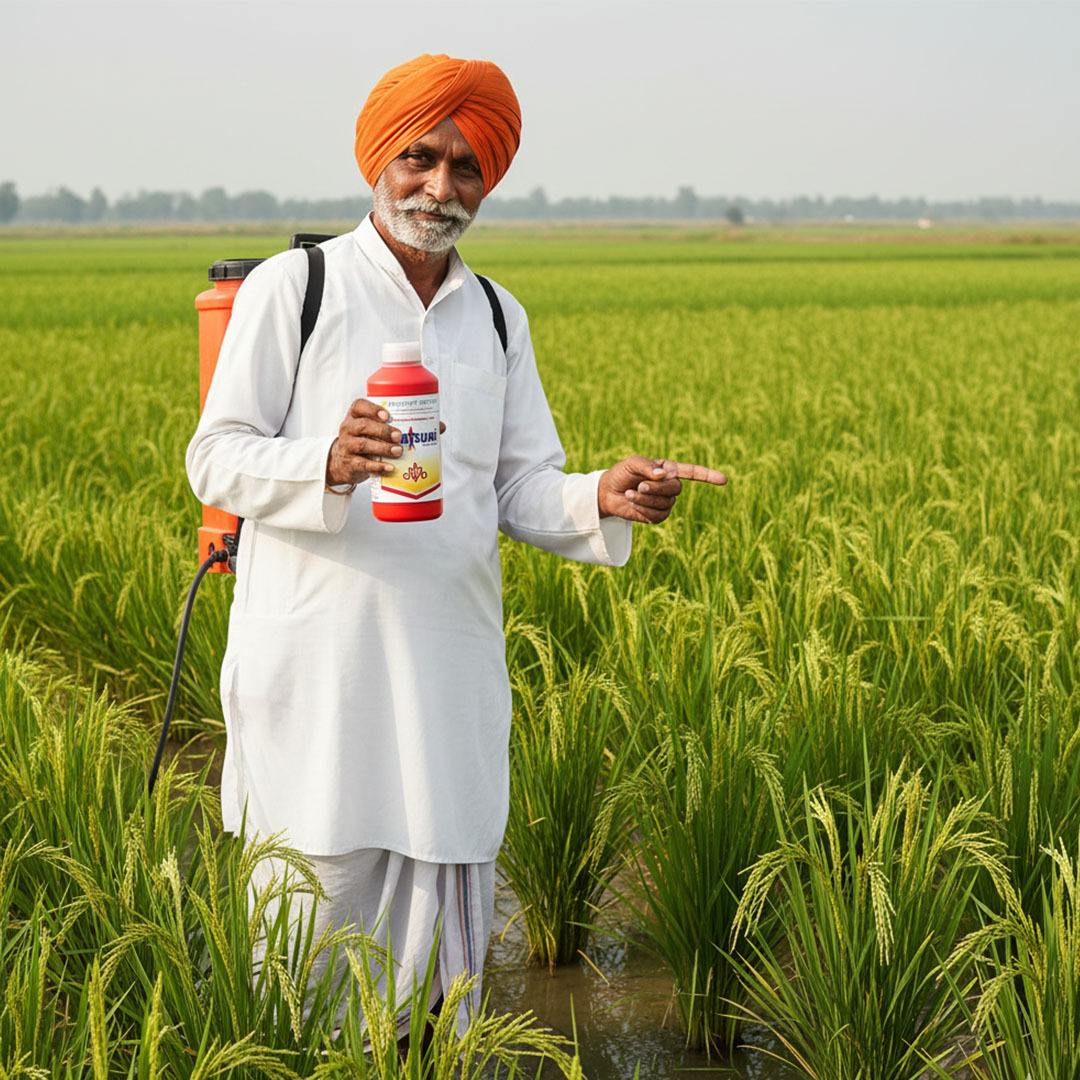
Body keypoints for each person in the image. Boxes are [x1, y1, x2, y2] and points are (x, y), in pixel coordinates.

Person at [185, 52, 727, 1040]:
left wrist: (603, 494)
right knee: (306, 961)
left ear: (490, 181)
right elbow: (215, 461)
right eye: (421, 157)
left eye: (467, 166)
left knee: (443, 998)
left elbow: (517, 487)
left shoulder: (495, 317)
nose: (441, 187)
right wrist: (326, 464)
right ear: (377, 161)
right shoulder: (293, 291)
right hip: (320, 691)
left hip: (448, 692)